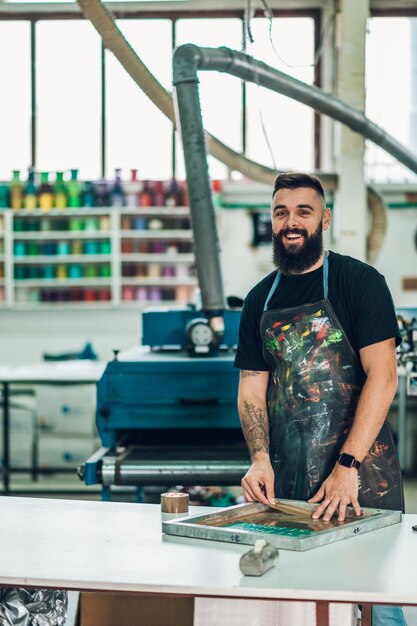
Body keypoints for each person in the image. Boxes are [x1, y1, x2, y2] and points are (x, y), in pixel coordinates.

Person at [234, 172, 406, 626]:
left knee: (377, 603)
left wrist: (347, 467)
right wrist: (259, 458)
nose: (292, 222)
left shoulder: (359, 283)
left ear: (324, 219)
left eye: (303, 212)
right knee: (300, 602)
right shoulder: (258, 300)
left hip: (362, 479)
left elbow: (383, 378)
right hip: (289, 483)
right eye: (281, 212)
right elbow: (252, 385)